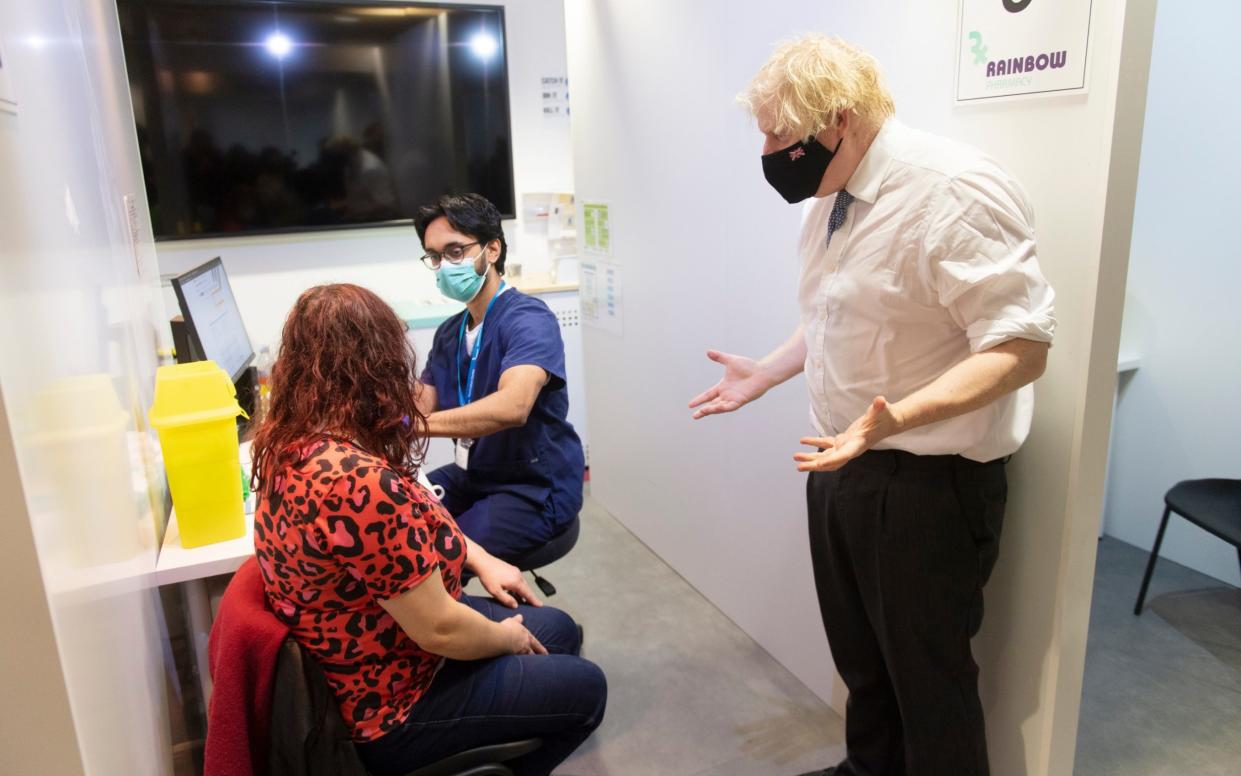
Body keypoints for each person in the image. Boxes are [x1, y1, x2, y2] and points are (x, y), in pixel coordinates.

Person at [689, 35, 1056, 776]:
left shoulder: (950, 191)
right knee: (864, 666)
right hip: (841, 458)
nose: (765, 150)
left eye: (778, 134)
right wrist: (768, 372)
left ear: (840, 120)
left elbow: (1021, 346)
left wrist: (899, 418)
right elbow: (836, 311)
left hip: (926, 482)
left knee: (929, 682)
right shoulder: (831, 198)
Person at [251, 284, 605, 776]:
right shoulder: (356, 482)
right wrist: (506, 640)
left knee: (559, 631)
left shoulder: (292, 444)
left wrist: (477, 557)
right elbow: (439, 627)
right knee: (587, 687)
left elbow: (416, 514)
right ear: (378, 362)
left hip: (384, 646)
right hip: (393, 704)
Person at [414, 193, 585, 562]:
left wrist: (418, 425)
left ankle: (499, 623)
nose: (444, 265)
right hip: (474, 473)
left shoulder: (528, 320)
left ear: (492, 250)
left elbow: (514, 406)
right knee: (399, 519)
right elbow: (418, 403)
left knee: (436, 560)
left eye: (455, 252)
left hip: (532, 487)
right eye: (435, 256)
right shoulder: (449, 333)